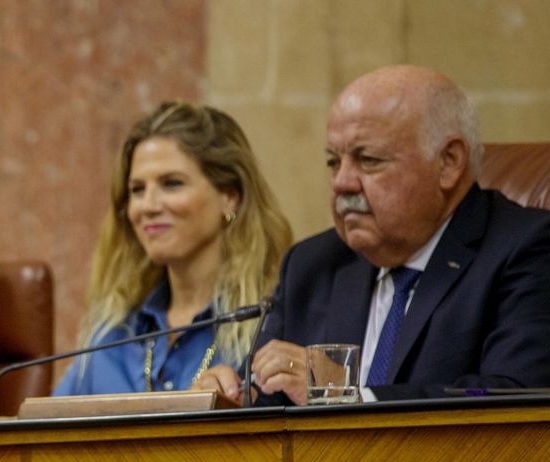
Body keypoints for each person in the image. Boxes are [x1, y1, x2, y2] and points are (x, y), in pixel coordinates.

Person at [199, 65, 550, 405]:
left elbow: (512, 396)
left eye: (368, 160)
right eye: (334, 162)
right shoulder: (311, 265)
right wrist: (230, 400)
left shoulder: (526, 248)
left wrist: (347, 395)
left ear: (449, 162)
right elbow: (270, 400)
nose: (342, 183)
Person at [56, 102, 291, 395]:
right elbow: (43, 432)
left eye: (172, 184)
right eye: (137, 190)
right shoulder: (113, 333)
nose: (149, 206)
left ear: (230, 196)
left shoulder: (271, 322)